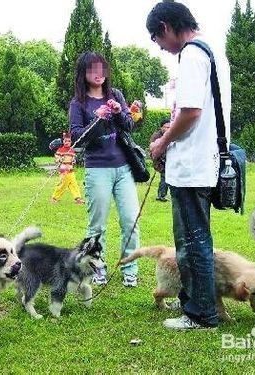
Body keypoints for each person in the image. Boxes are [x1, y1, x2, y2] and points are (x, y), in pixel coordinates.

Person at [147, 1, 231, 329]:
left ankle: (200, 314)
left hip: (191, 167)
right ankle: (199, 307)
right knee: (197, 240)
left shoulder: (192, 55)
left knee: (191, 244)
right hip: (203, 161)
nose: (162, 48)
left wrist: (162, 142)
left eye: (157, 39)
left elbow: (192, 112)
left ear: (166, 27)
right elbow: (199, 113)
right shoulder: (212, 52)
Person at [69, 51, 140, 287]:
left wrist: (119, 112)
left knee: (130, 219)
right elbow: (77, 138)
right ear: (84, 74)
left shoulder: (116, 94)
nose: (98, 74)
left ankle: (130, 266)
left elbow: (129, 126)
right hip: (97, 168)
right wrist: (96, 118)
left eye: (101, 69)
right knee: (97, 224)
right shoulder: (78, 103)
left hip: (123, 168)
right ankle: (97, 267)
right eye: (92, 70)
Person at [51, 132, 85, 205]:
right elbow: (56, 158)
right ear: (63, 141)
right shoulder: (60, 150)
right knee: (62, 185)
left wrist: (73, 161)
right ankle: (54, 198)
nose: (67, 142)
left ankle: (78, 198)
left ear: (71, 142)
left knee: (74, 184)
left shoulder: (72, 150)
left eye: (69, 141)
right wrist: (60, 159)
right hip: (63, 171)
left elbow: (73, 159)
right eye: (65, 141)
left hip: (70, 170)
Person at [150, 118, 171, 202]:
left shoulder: (171, 134)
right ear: (161, 127)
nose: (167, 129)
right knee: (164, 177)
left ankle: (162, 194)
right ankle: (161, 195)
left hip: (169, 160)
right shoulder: (156, 136)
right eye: (166, 127)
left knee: (167, 178)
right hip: (159, 161)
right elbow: (152, 147)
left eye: (169, 127)